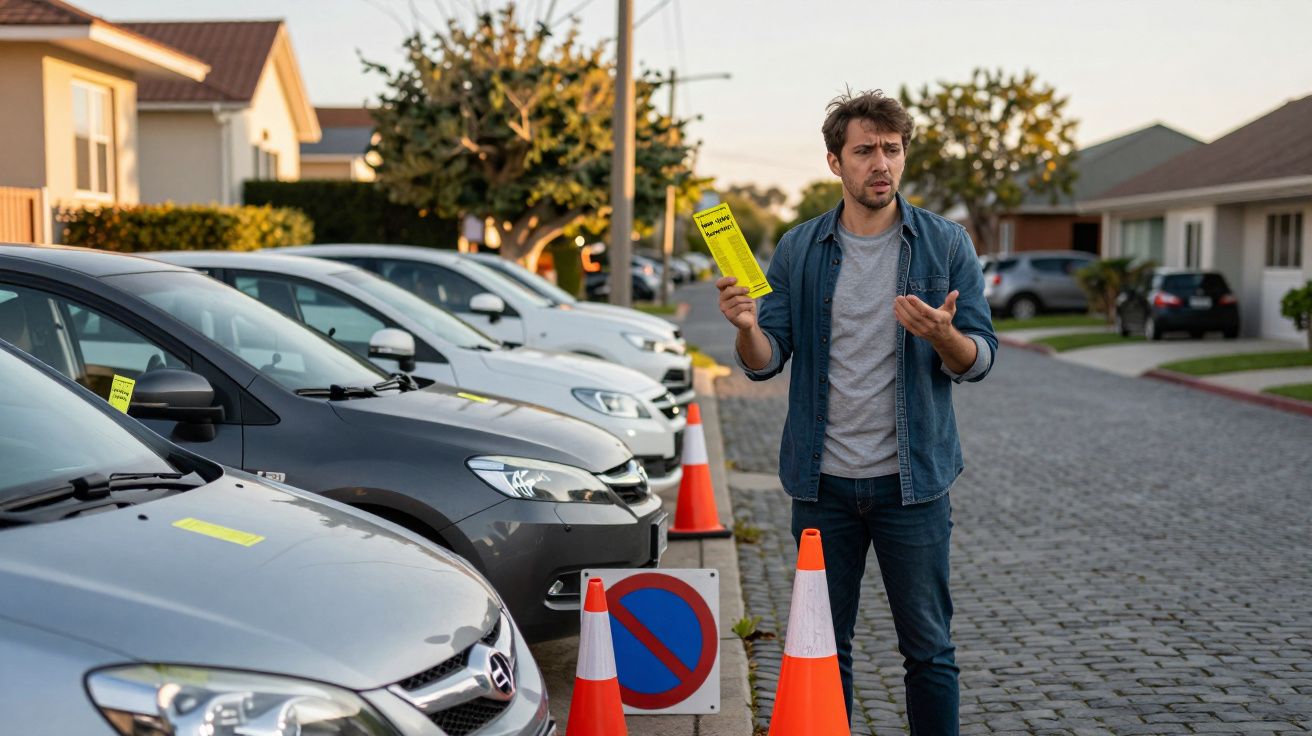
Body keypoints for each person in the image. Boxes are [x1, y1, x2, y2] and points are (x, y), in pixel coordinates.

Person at [717, 90, 997, 734]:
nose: (882, 164)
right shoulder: (799, 249)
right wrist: (744, 326)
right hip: (823, 488)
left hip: (915, 485)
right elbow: (765, 359)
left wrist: (943, 336)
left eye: (892, 150)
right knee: (824, 650)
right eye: (865, 150)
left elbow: (978, 358)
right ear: (834, 162)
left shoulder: (946, 244)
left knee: (930, 651)